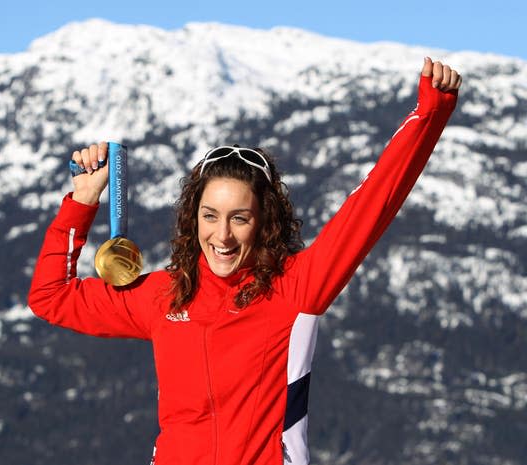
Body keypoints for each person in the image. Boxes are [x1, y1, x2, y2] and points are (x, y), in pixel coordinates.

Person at [28, 57, 462, 465]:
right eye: (210, 216)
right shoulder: (164, 296)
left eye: (240, 218)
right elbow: (50, 296)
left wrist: (431, 114)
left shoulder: (296, 288)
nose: (222, 235)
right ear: (192, 217)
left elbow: (372, 203)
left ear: (264, 222)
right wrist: (82, 201)